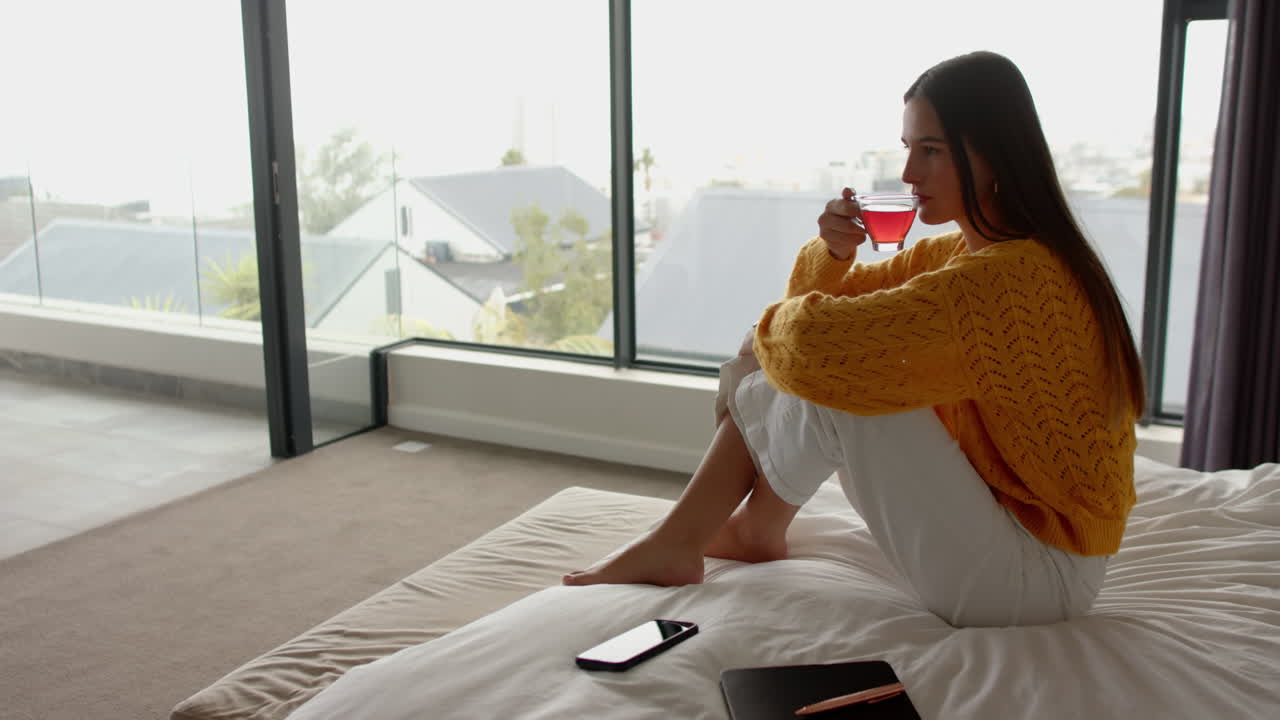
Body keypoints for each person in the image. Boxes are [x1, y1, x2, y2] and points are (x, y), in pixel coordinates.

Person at [563, 51, 1145, 628]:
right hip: (1010, 532)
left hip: (1033, 580)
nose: (910, 174)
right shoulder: (969, 253)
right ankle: (744, 531)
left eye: (931, 151)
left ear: (992, 155)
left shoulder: (1008, 280)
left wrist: (768, 333)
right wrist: (835, 253)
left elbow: (818, 341)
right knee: (806, 355)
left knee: (838, 376)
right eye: (908, 149)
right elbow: (827, 310)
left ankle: (697, 537)